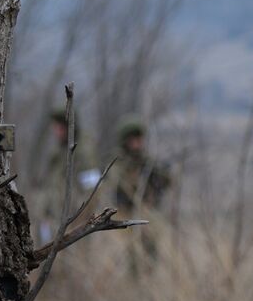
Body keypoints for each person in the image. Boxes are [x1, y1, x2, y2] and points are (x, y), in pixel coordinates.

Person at [112, 116, 171, 267]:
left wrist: (159, 172)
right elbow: (114, 182)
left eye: (139, 139)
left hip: (146, 212)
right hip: (125, 214)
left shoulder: (147, 161)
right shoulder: (117, 162)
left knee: (150, 249)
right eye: (133, 139)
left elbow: (166, 182)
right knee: (129, 253)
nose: (137, 143)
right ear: (125, 140)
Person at [37, 105, 100, 245]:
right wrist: (45, 213)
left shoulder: (83, 152)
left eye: (60, 127)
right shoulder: (57, 152)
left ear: (70, 127)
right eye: (55, 127)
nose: (57, 132)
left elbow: (92, 190)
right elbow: (48, 185)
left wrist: (79, 218)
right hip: (55, 219)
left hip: (74, 222)